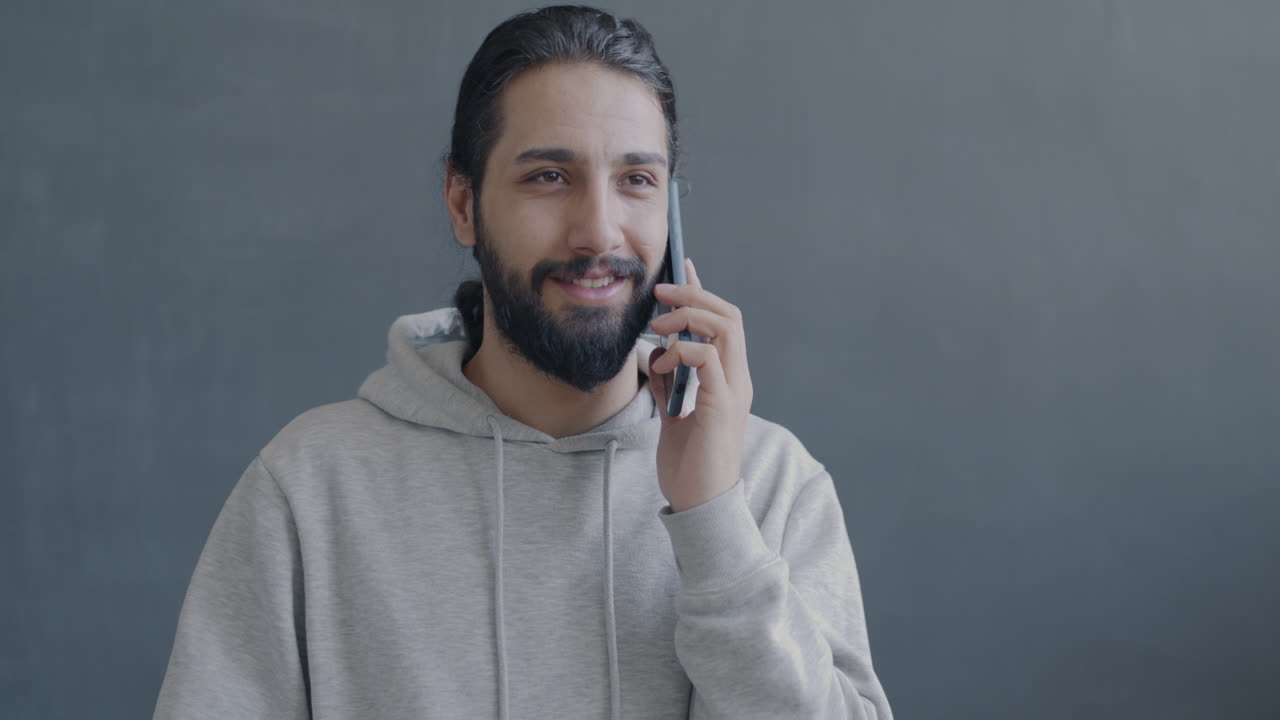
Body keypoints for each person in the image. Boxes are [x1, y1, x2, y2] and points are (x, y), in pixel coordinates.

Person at [153, 5, 893, 719]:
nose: (598, 231)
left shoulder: (770, 486)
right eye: (548, 176)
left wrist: (713, 522)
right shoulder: (309, 490)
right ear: (463, 202)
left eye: (636, 180)